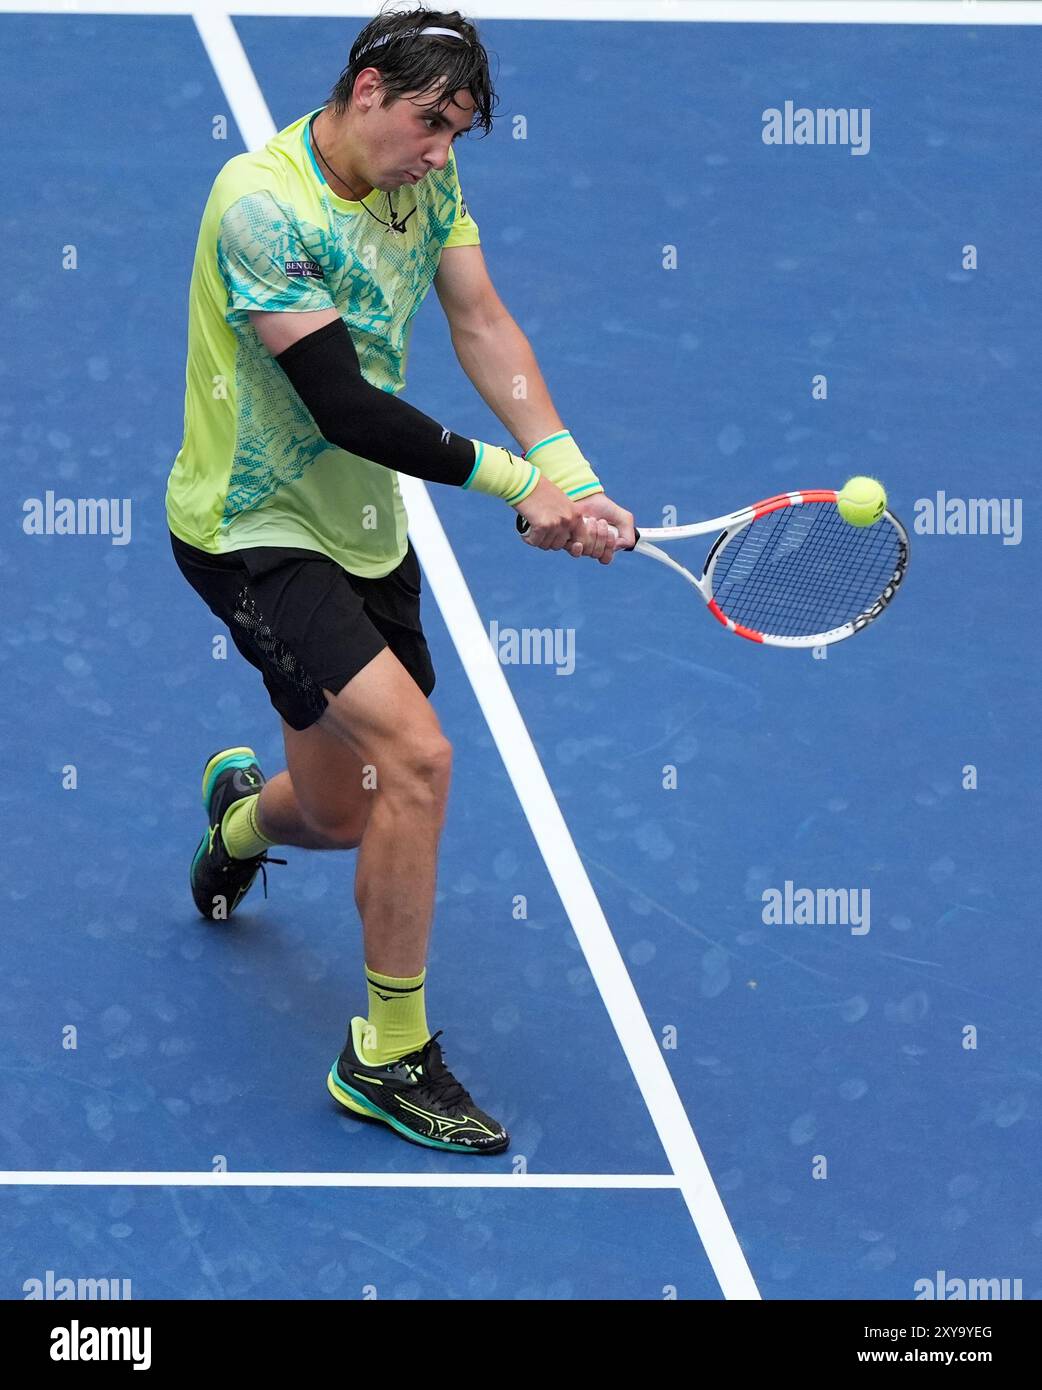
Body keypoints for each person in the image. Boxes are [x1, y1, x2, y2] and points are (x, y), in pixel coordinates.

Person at [165, 3, 635, 1155]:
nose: (440, 152)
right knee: (418, 760)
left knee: (339, 808)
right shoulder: (261, 205)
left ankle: (238, 823)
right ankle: (388, 1054)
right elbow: (343, 404)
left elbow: (478, 317)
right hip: (250, 531)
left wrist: (568, 472)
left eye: (458, 134)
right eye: (430, 121)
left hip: (360, 528)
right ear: (365, 86)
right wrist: (515, 481)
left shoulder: (419, 184)